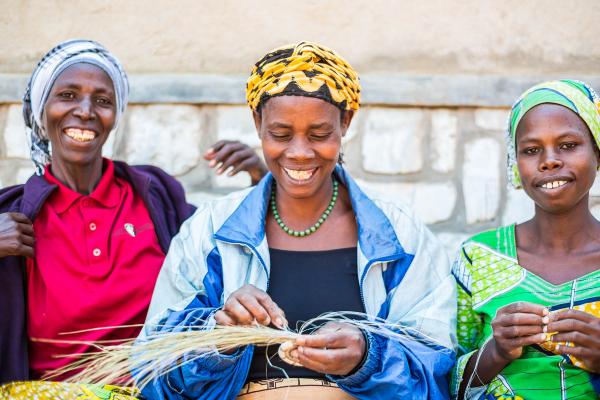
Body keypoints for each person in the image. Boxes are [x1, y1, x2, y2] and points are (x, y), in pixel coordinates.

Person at [139, 41, 456, 400]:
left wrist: (368, 358)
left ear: (345, 123)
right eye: (281, 134)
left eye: (319, 134)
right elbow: (151, 371)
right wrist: (217, 334)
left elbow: (437, 374)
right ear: (258, 123)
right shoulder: (210, 233)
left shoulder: (400, 237)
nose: (300, 152)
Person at [0, 39, 266, 385]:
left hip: (155, 390)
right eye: (67, 95)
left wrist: (261, 180)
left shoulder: (154, 197)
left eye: (103, 100)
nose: (85, 110)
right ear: (40, 108)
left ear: (115, 115)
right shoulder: (15, 215)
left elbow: (224, 247)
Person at [452, 80, 600, 399]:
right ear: (516, 164)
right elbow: (440, 379)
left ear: (597, 152)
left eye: (569, 145)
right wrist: (496, 351)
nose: (549, 161)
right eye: (531, 150)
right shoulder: (478, 257)